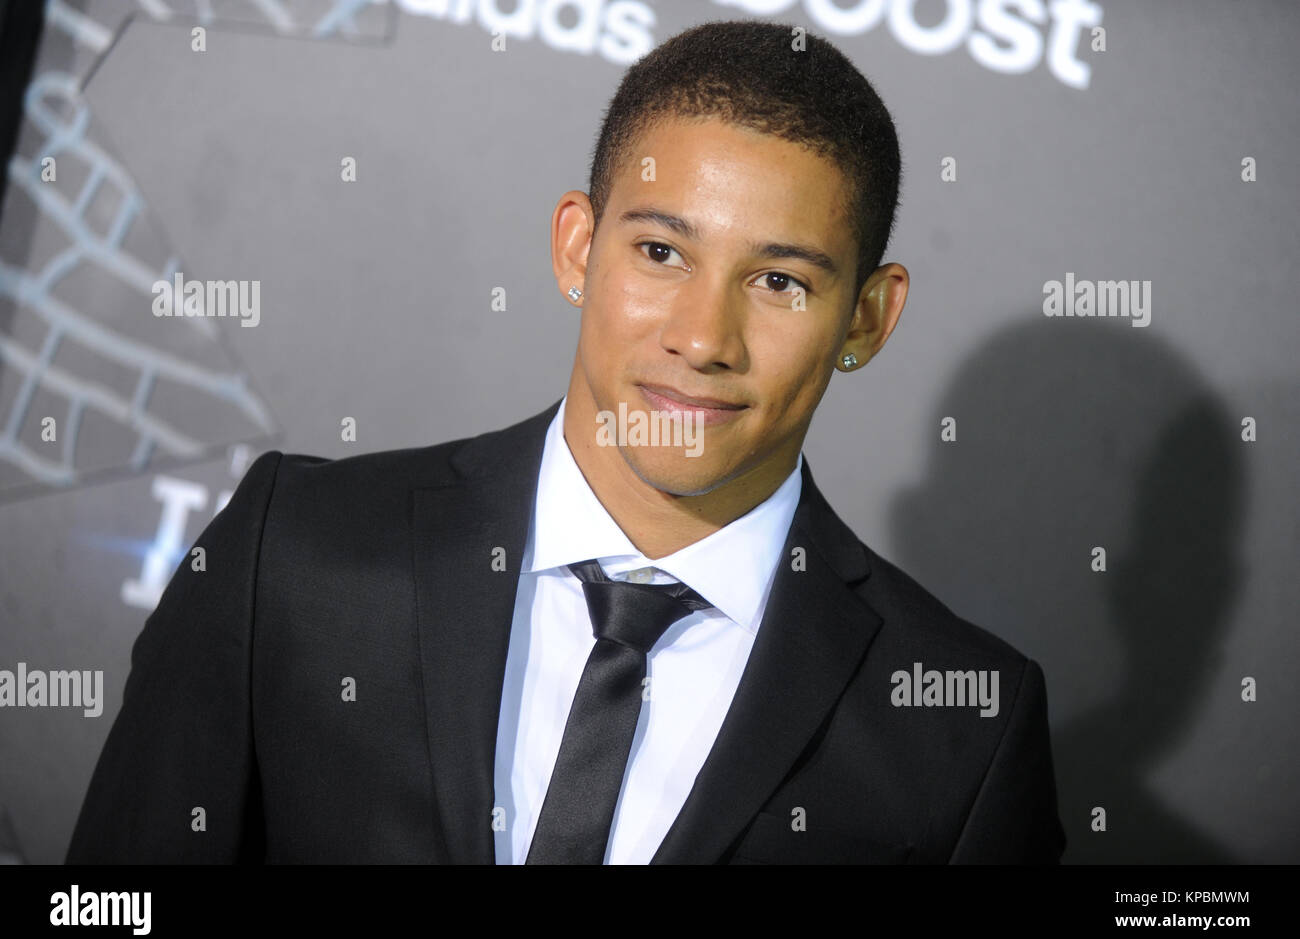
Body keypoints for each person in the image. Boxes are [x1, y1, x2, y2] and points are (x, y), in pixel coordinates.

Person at [66, 20, 1065, 865]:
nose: (701, 339)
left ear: (866, 320)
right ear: (578, 249)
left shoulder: (960, 731)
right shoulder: (293, 557)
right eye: (661, 252)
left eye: (779, 282)